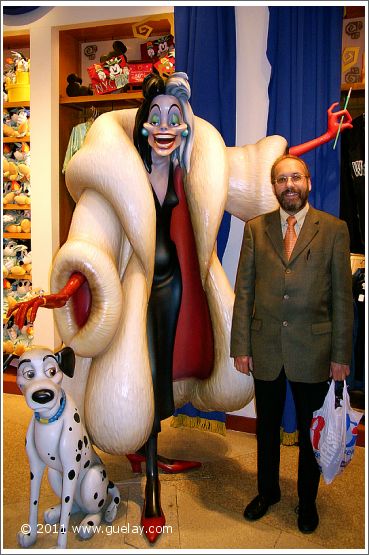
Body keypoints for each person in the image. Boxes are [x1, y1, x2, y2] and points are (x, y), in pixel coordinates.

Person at [8, 72, 352, 542]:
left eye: (175, 116)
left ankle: (152, 449)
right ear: (145, 125)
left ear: (185, 124)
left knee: (168, 375)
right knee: (143, 372)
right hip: (138, 292)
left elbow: (265, 172)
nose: (166, 126)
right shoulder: (122, 171)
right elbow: (93, 239)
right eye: (157, 117)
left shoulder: (195, 167)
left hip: (180, 290)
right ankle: (149, 482)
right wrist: (62, 294)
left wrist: (326, 137)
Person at [230, 153, 353, 534]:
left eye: (295, 177)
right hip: (265, 346)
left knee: (308, 429)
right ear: (274, 187)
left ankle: (307, 501)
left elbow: (341, 300)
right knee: (266, 426)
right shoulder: (255, 229)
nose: (289, 185)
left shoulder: (333, 229)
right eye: (282, 179)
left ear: (308, 182)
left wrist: (340, 356)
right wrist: (241, 346)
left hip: (313, 351)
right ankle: (268, 492)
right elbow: (244, 290)